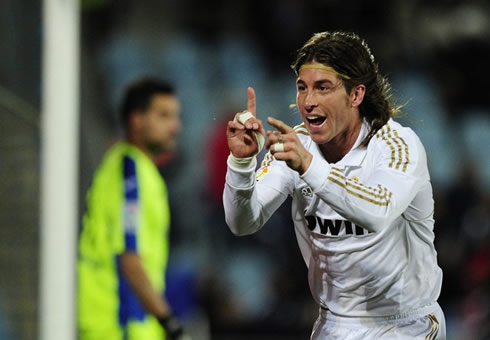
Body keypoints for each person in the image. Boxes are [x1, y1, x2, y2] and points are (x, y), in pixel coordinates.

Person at [223, 31, 446, 339]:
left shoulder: (398, 145)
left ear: (356, 95)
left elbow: (377, 210)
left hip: (405, 325)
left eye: (322, 88)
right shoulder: (298, 145)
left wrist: (310, 167)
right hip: (334, 324)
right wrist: (242, 164)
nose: (309, 101)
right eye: (302, 88)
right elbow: (243, 223)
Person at [78, 77, 190, 340]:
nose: (175, 126)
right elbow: (129, 259)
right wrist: (170, 323)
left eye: (176, 117)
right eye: (164, 116)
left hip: (127, 323)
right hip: (119, 323)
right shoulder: (130, 174)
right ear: (136, 120)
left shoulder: (136, 168)